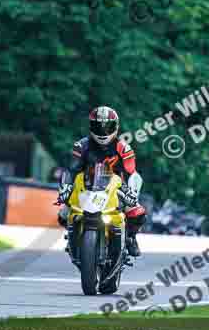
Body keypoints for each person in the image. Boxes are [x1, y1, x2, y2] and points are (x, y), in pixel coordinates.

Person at [55, 106, 146, 257]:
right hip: (86, 188)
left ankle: (130, 237)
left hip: (116, 191)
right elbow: (71, 170)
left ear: (115, 127)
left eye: (107, 127)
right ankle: (73, 236)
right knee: (63, 214)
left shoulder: (123, 148)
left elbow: (131, 173)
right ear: (91, 127)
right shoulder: (81, 146)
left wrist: (131, 193)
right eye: (98, 127)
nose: (103, 132)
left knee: (137, 212)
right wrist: (65, 188)